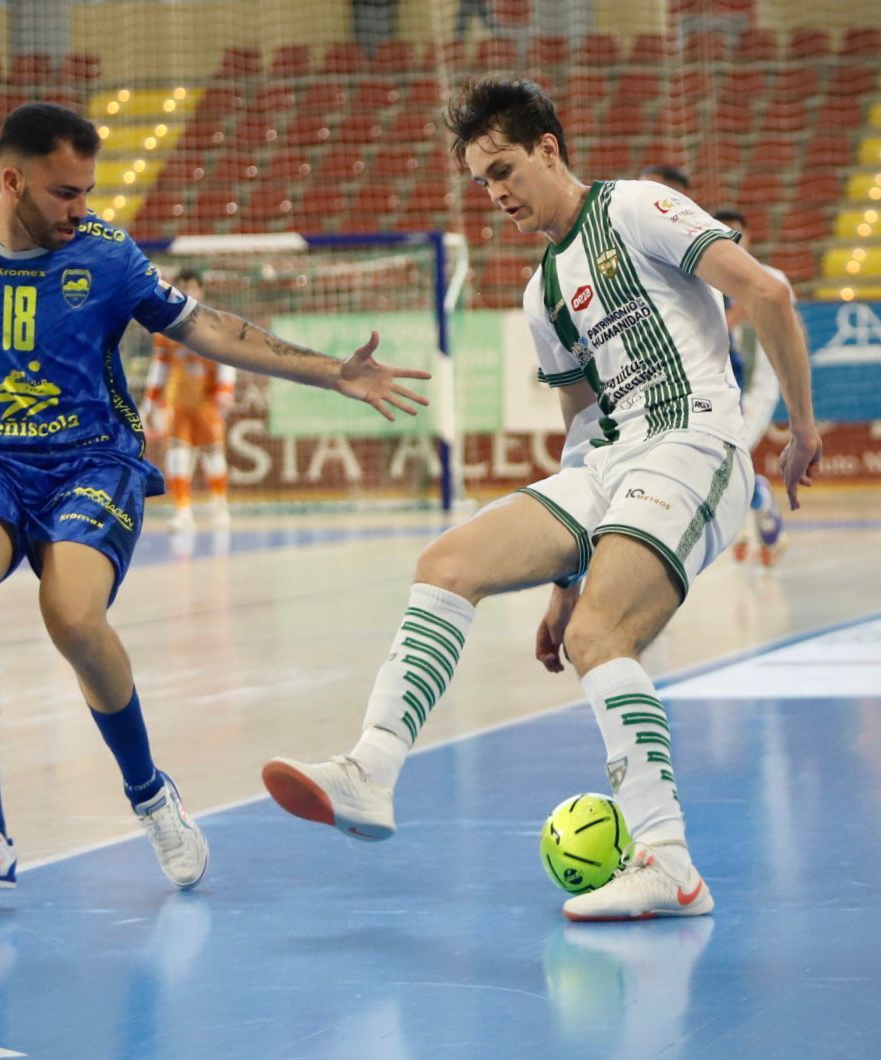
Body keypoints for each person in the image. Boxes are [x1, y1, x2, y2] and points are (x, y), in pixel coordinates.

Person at [0, 102, 428, 894]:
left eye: (88, 190)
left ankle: (148, 792)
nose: (83, 208)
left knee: (71, 617)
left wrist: (329, 371)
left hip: (92, 464)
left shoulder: (107, 255)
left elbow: (208, 329)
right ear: (11, 180)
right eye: (66, 192)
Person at [261, 78, 821, 921]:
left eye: (504, 170)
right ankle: (371, 772)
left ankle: (668, 863)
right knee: (445, 562)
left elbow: (767, 292)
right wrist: (562, 577)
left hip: (692, 442)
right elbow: (581, 428)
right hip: (610, 461)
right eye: (482, 182)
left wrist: (801, 429)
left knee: (604, 636)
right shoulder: (540, 294)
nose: (495, 196)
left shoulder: (637, 207)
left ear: (550, 149)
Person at [713, 208, 799, 566]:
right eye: (722, 233)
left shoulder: (770, 278)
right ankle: (759, 509)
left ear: (750, 238)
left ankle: (760, 505)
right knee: (720, 462)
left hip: (757, 389)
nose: (731, 239)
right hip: (718, 390)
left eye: (737, 233)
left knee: (729, 457)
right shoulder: (706, 281)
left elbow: (753, 312)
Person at [142, 269, 235, 531]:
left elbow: (227, 360)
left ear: (201, 291)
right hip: (178, 401)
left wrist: (225, 390)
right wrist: (149, 404)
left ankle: (219, 507)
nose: (188, 291)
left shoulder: (215, 324)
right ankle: (182, 511)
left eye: (192, 287)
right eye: (182, 286)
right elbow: (159, 369)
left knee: (213, 454)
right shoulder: (165, 328)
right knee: (178, 455)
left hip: (207, 401)